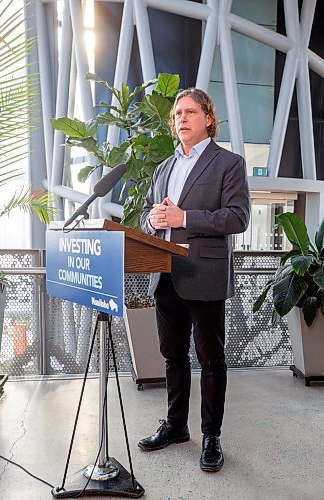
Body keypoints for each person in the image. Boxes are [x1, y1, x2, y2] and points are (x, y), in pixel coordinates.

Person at [138, 88, 250, 472]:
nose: (180, 118)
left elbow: (237, 218)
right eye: (176, 114)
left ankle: (212, 437)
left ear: (208, 118)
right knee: (172, 356)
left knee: (211, 359)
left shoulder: (228, 164)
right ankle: (175, 426)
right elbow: (149, 216)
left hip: (204, 274)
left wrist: (184, 218)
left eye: (188, 112)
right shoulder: (163, 168)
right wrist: (152, 220)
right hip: (165, 273)